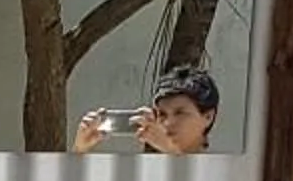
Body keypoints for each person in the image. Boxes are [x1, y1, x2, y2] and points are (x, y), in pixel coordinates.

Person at [73, 67, 219, 157]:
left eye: (180, 113)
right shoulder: (146, 171)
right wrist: (80, 150)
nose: (167, 122)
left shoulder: (229, 170)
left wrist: (169, 149)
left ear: (208, 117)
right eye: (161, 114)